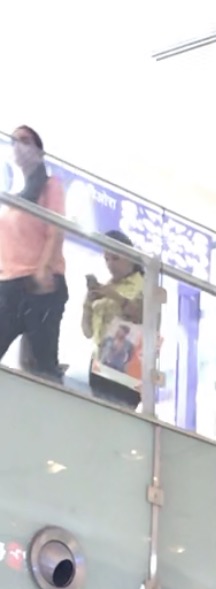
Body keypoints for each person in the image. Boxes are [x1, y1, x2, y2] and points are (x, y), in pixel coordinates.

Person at [0, 127, 68, 379]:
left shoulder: (50, 186)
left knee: (43, 366)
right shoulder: (15, 199)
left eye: (25, 140)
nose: (18, 146)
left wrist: (44, 269)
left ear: (39, 151)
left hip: (39, 284)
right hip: (9, 285)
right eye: (14, 141)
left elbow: (55, 230)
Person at [81, 229, 143, 408]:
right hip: (99, 362)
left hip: (126, 365)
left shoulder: (144, 286)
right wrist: (88, 303)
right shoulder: (106, 287)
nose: (110, 265)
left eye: (115, 259)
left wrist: (115, 296)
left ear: (130, 257)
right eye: (106, 259)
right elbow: (87, 332)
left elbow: (143, 316)